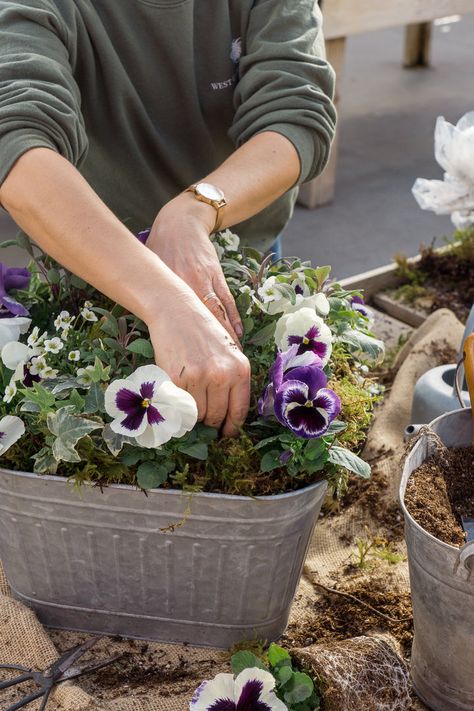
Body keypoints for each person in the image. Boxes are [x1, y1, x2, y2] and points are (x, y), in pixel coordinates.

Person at [0, 0, 336, 437]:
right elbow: (17, 142)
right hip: (91, 265)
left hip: (236, 257)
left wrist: (192, 211)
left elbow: (296, 114)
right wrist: (165, 302)